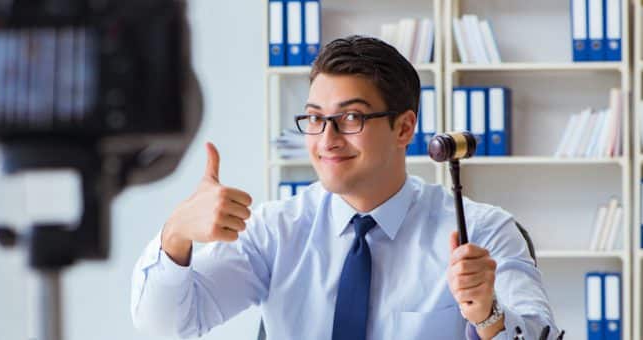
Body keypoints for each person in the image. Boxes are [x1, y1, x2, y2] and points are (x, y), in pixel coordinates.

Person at [130, 35, 557, 339]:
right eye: (315, 118)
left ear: (404, 127)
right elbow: (167, 325)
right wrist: (176, 236)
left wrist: (488, 316)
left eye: (351, 118)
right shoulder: (275, 230)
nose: (327, 139)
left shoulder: (481, 232)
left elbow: (539, 333)